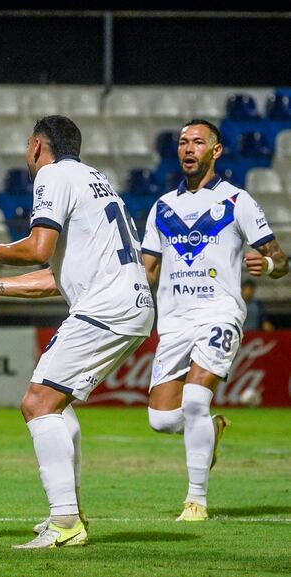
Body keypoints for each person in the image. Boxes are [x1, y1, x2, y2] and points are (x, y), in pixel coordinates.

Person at [0, 115, 154, 549]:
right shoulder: (97, 181)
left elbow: (38, 248)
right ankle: (69, 514)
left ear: (38, 145)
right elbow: (53, 278)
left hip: (106, 308)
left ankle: (65, 522)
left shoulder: (53, 175)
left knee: (37, 403)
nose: (27, 154)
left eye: (28, 145)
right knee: (57, 404)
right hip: (128, 306)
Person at [140, 119, 288, 521]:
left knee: (193, 401)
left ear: (216, 151)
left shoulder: (238, 201)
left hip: (219, 313)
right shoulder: (162, 207)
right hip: (174, 322)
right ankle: (213, 428)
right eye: (183, 142)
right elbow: (146, 270)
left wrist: (269, 264)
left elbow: (280, 260)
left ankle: (196, 501)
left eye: (198, 142)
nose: (188, 148)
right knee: (161, 420)